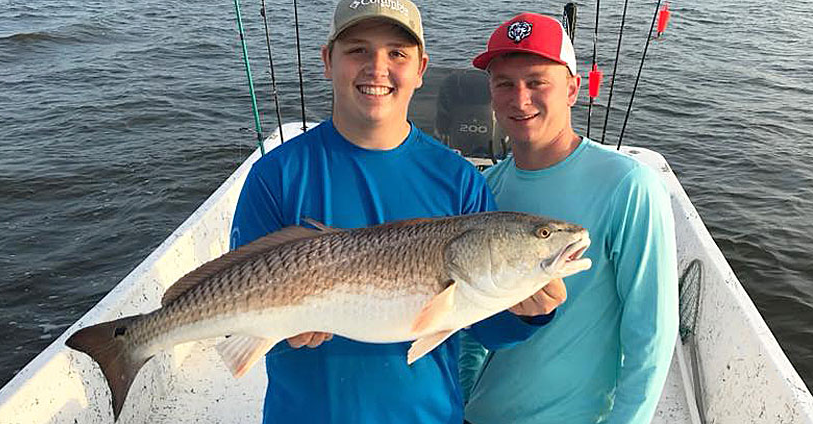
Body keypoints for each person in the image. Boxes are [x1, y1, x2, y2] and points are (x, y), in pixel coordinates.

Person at [229, 2, 563, 423]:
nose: (377, 67)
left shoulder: (459, 181)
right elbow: (235, 305)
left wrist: (528, 311)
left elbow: (484, 327)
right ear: (327, 60)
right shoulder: (275, 176)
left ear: (421, 68)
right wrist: (283, 333)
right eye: (357, 51)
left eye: (397, 53)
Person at [460, 12, 679, 424]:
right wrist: (464, 400)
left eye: (537, 82)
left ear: (573, 89)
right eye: (504, 83)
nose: (519, 99)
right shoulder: (483, 189)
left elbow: (651, 332)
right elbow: (469, 323)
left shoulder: (629, 185)